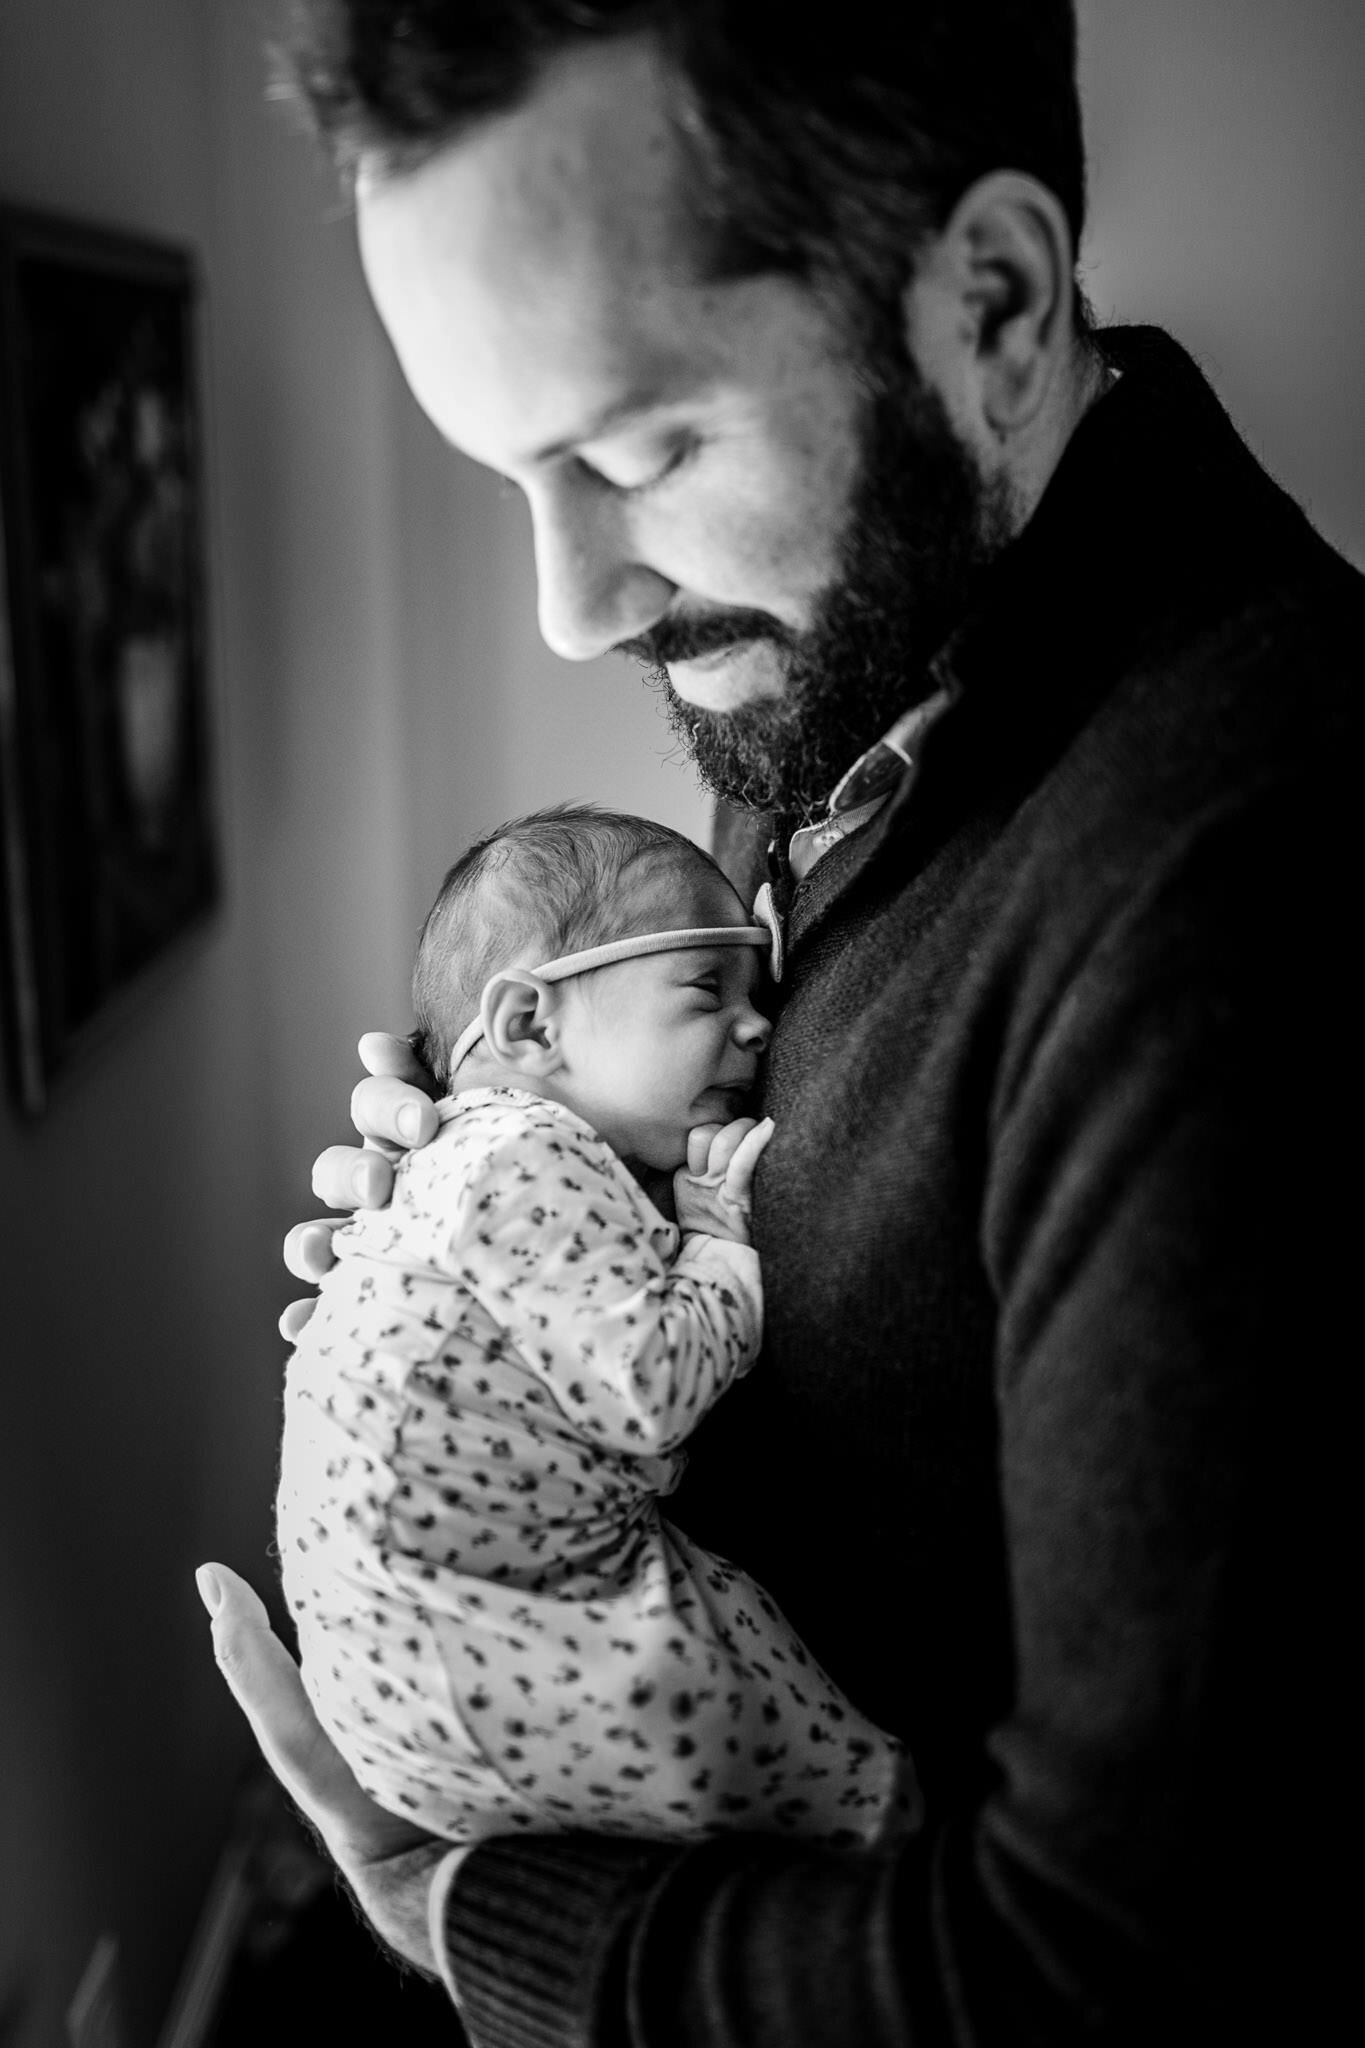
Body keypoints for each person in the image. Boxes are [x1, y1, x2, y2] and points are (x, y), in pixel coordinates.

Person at [199, 3, 1357, 2041]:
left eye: (634, 449)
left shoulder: (1242, 886)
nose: (567, 602)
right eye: (508, 472)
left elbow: (1108, 1965)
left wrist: (480, 1922)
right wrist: (537, 1260)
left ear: (989, 303)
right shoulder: (852, 695)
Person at [276, 802, 905, 1850]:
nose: (759, 1025)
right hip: (487, 1637)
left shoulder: (484, 1156)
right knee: (770, 1700)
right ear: (528, 1025)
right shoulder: (525, 1156)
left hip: (412, 1673)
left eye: (760, 992)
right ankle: (899, 1836)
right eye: (710, 988)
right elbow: (652, 1390)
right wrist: (713, 1234)